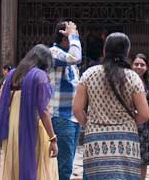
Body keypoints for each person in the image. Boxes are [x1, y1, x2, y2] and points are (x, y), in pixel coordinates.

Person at [73, 32, 149, 180]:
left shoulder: (89, 74)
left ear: (104, 50)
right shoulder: (132, 77)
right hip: (126, 139)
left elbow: (77, 109)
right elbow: (144, 114)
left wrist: (89, 124)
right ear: (127, 52)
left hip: (95, 139)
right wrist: (131, 123)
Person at [0, 45, 58, 180]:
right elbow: (44, 111)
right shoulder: (40, 76)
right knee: (39, 167)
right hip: (33, 129)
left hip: (12, 131)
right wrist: (53, 138)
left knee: (15, 167)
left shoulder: (12, 75)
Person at [49, 20, 82, 180]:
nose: (77, 39)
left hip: (73, 117)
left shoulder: (68, 58)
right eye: (72, 35)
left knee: (68, 161)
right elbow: (76, 57)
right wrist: (73, 36)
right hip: (61, 116)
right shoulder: (53, 53)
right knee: (64, 165)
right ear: (64, 36)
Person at [132, 53, 149, 180]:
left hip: (146, 126)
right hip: (130, 125)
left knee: (143, 159)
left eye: (142, 65)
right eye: (136, 64)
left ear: (147, 67)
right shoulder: (126, 81)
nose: (139, 67)